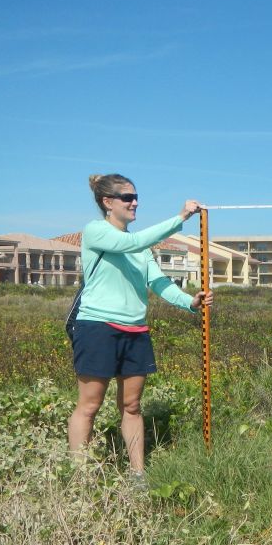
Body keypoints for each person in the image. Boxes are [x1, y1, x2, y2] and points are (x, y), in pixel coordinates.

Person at [68, 173, 213, 479]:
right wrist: (182, 216)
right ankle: (79, 476)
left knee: (132, 406)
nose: (135, 202)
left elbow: (159, 282)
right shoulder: (96, 232)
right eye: (127, 198)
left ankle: (138, 475)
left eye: (135, 197)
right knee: (89, 406)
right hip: (98, 327)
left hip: (135, 331)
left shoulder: (141, 249)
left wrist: (190, 301)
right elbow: (132, 242)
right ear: (108, 203)